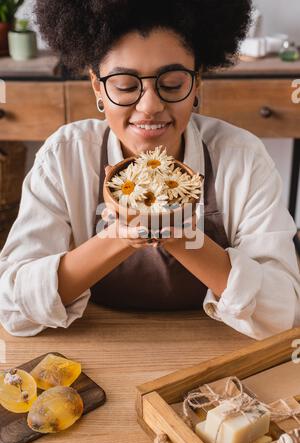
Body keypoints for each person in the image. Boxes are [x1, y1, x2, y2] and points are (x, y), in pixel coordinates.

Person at [0, 0, 299, 339]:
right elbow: (11, 306)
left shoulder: (243, 158)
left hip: (216, 347)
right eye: (126, 86)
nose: (150, 106)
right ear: (98, 87)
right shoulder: (65, 157)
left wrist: (177, 233)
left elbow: (284, 310)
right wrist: (121, 235)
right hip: (103, 343)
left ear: (197, 82)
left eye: (172, 84)